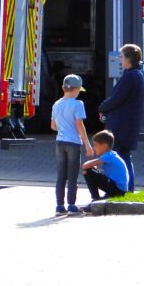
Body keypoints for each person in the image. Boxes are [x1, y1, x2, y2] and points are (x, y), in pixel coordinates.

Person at [98, 43, 144, 192]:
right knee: (125, 157)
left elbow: (116, 98)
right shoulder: (135, 75)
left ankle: (122, 188)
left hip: (122, 125)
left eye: (122, 56)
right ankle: (127, 188)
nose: (119, 59)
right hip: (127, 125)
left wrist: (102, 108)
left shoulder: (131, 76)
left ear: (129, 59)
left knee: (119, 158)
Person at [51, 74, 93, 217]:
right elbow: (79, 125)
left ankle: (59, 206)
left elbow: (53, 126)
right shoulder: (78, 104)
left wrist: (64, 128)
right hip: (73, 143)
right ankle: (71, 205)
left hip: (60, 142)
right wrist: (87, 144)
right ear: (75, 89)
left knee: (61, 175)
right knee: (73, 175)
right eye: (78, 91)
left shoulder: (56, 104)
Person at [82, 130, 128, 202]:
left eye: (95, 145)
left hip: (118, 190)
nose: (94, 148)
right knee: (91, 170)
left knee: (87, 171)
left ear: (104, 146)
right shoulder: (111, 154)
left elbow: (84, 166)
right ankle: (101, 197)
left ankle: (95, 198)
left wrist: (92, 165)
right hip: (119, 189)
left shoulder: (108, 156)